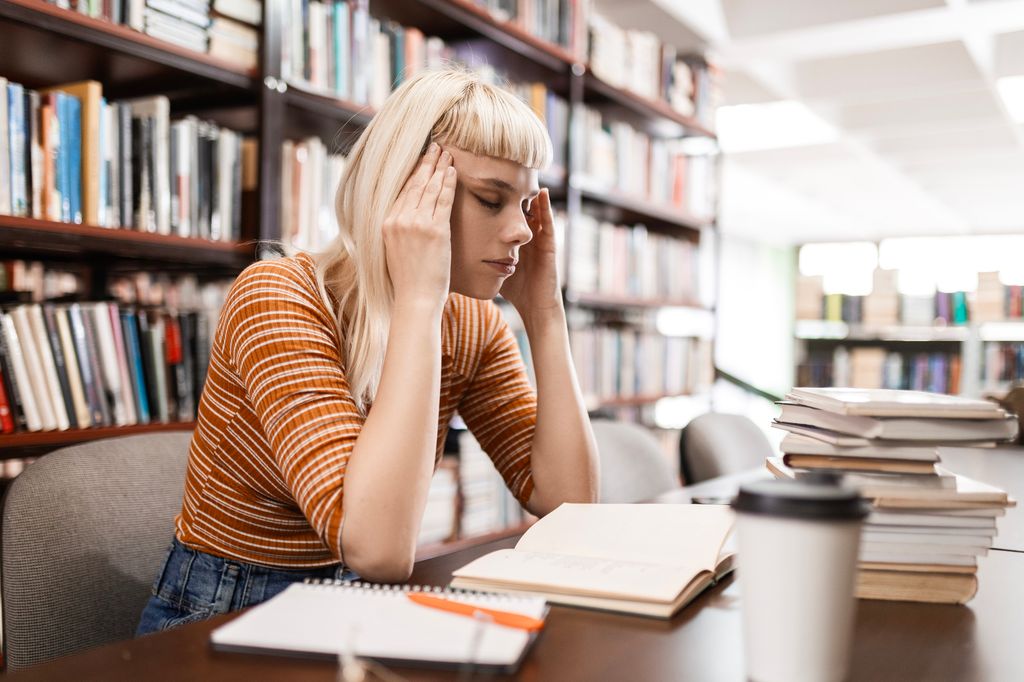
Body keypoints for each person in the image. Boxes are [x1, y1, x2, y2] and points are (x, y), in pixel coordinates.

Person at [136, 67, 599, 635]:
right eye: (489, 199)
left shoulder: (471, 322)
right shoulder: (277, 296)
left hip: (359, 607)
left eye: (525, 204)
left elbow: (567, 500)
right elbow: (378, 548)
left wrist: (545, 315)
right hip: (222, 610)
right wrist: (419, 303)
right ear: (403, 192)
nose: (522, 231)